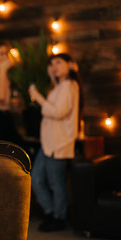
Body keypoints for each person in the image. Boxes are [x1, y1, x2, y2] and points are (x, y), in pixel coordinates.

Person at [28, 53, 84, 232]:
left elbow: (58, 111)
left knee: (56, 183)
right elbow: (56, 103)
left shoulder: (70, 85)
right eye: (52, 64)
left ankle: (59, 217)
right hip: (48, 144)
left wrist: (37, 96)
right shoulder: (60, 87)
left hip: (58, 144)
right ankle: (51, 212)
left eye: (58, 62)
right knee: (35, 179)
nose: (54, 66)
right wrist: (52, 77)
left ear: (70, 65)